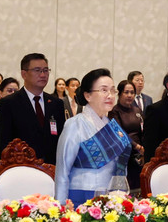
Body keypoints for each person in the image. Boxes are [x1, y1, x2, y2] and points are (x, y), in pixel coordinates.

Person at [55, 69, 132, 204]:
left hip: (110, 198)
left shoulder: (112, 126)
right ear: (88, 96)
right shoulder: (75, 124)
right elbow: (62, 171)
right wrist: (60, 208)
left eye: (113, 91)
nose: (110, 96)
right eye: (104, 90)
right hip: (81, 197)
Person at [0, 53, 66, 164]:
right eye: (37, 70)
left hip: (51, 170)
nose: (43, 75)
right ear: (24, 74)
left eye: (46, 70)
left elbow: (61, 140)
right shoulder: (9, 103)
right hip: (21, 169)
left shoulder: (56, 103)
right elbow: (2, 144)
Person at [108, 80, 144, 190]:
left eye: (132, 92)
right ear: (119, 93)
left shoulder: (137, 110)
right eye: (126, 92)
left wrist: (143, 147)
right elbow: (119, 133)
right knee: (126, 187)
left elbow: (143, 130)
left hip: (140, 155)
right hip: (124, 154)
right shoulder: (114, 111)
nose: (130, 95)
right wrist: (136, 146)